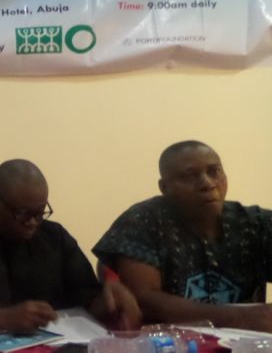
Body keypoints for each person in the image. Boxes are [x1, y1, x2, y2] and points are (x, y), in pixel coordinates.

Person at [0, 159, 141, 333]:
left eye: (39, 212)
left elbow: (88, 295)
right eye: (22, 214)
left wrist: (111, 297)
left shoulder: (55, 236)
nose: (33, 223)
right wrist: (4, 318)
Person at [93, 140, 272, 332]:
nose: (207, 184)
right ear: (164, 187)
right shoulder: (142, 220)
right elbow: (144, 298)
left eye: (214, 171)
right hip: (168, 343)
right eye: (189, 176)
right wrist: (238, 317)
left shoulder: (256, 222)